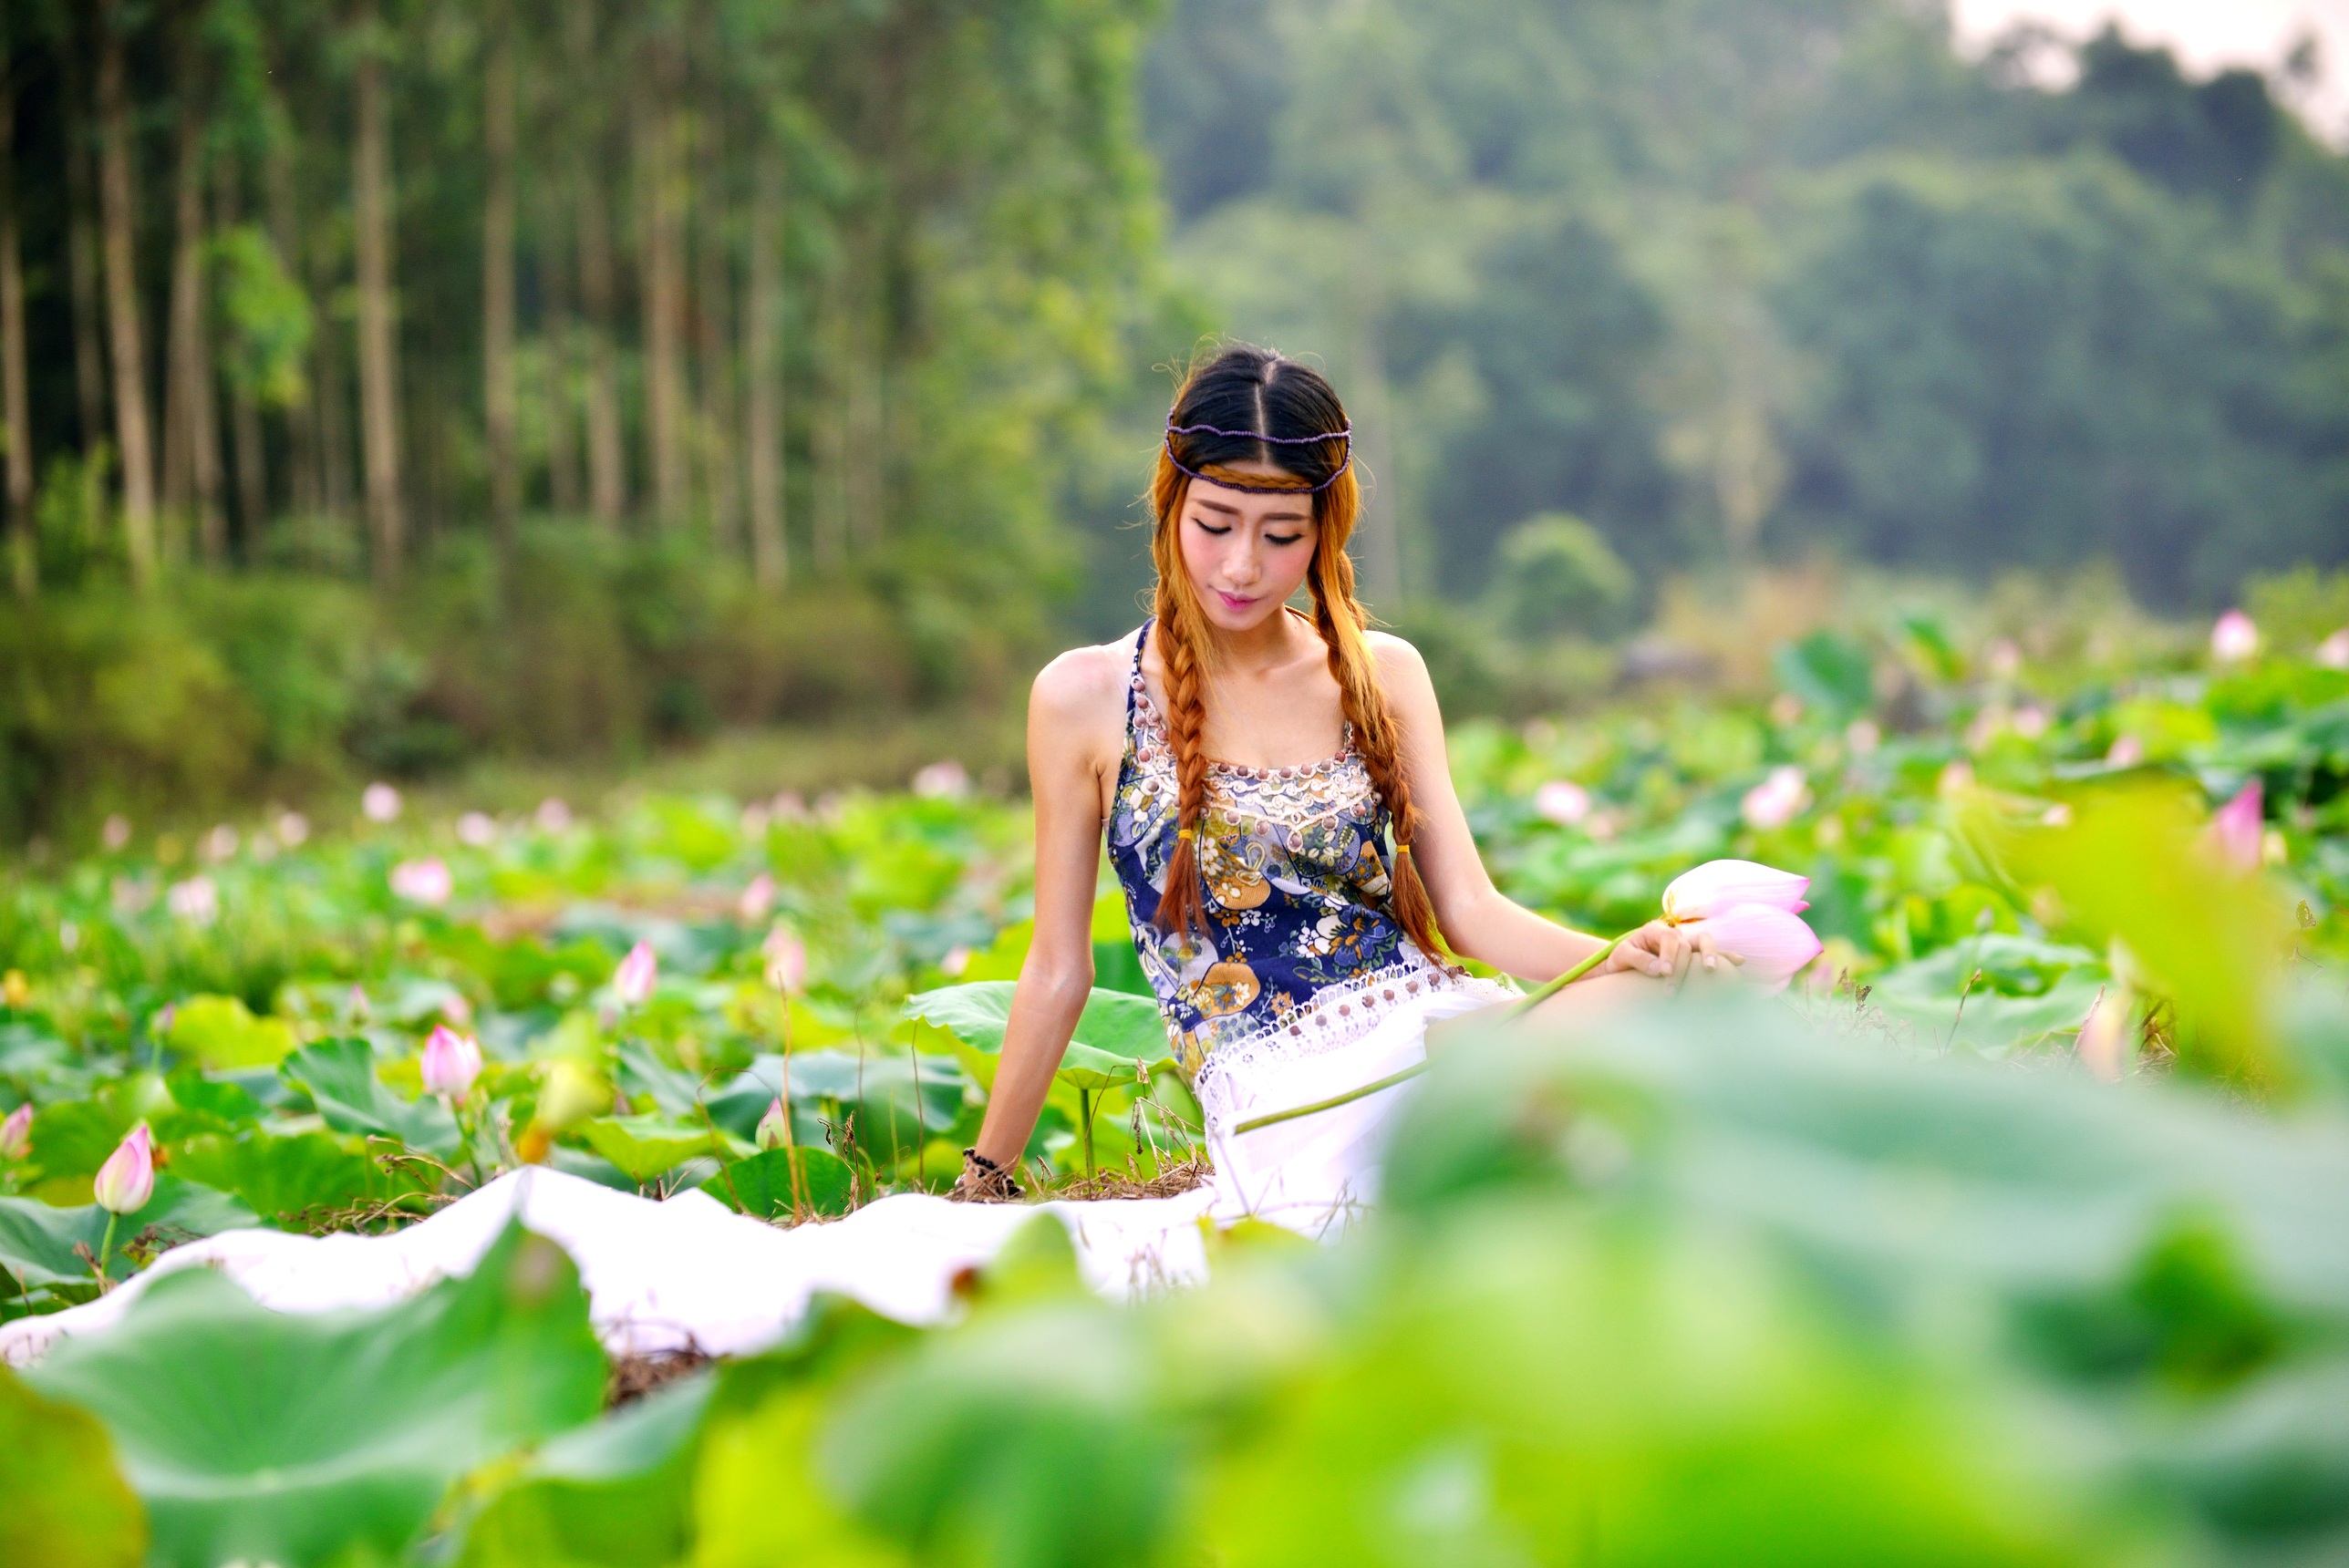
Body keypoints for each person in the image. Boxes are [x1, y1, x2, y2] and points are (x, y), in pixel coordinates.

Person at [953, 343, 1723, 1216]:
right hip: (1290, 1095)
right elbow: (1059, 969)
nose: (1241, 566)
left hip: (1437, 1024)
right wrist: (983, 1181)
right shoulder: (1083, 697)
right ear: (1171, 505)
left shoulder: (1382, 671)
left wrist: (1614, 958)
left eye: (1280, 537)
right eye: (1214, 524)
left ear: (1324, 532)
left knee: (1684, 1007)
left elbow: (1468, 911)